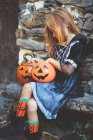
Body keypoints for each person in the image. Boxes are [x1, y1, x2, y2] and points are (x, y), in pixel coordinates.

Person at [16, 8, 86, 140]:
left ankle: (18, 121)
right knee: (31, 105)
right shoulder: (61, 44)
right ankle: (34, 135)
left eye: (54, 30)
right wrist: (41, 62)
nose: (53, 35)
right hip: (55, 83)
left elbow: (68, 70)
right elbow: (51, 69)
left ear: (65, 23)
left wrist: (49, 60)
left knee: (27, 87)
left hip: (65, 87)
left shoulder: (78, 45)